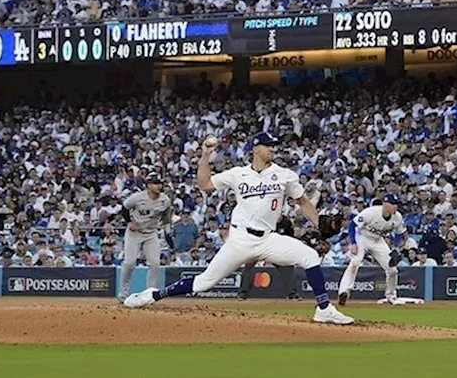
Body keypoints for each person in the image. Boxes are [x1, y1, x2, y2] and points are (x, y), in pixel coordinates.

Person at [123, 132, 353, 324]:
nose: (272, 149)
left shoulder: (286, 175)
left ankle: (323, 308)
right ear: (256, 148)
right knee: (204, 283)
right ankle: (153, 295)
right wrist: (205, 155)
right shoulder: (237, 174)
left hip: (269, 239)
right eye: (268, 146)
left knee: (310, 256)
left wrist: (319, 221)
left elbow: (303, 202)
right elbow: (204, 184)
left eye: (273, 146)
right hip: (240, 239)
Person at [336, 194, 406, 306]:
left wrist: (396, 247)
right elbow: (352, 225)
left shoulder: (397, 217)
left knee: (393, 270)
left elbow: (399, 233)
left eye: (396, 205)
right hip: (362, 237)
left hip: (378, 240)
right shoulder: (371, 212)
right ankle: (344, 291)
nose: (395, 207)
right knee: (354, 263)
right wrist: (353, 243)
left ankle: (391, 296)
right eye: (393, 204)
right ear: (385, 204)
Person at [118, 174, 172, 303]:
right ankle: (123, 295)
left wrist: (167, 230)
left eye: (160, 183)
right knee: (129, 263)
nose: (158, 186)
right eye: (155, 183)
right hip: (134, 233)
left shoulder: (165, 200)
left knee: (155, 264)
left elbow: (166, 216)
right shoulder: (137, 198)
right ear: (148, 185)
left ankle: (150, 295)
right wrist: (129, 222)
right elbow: (124, 208)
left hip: (151, 233)